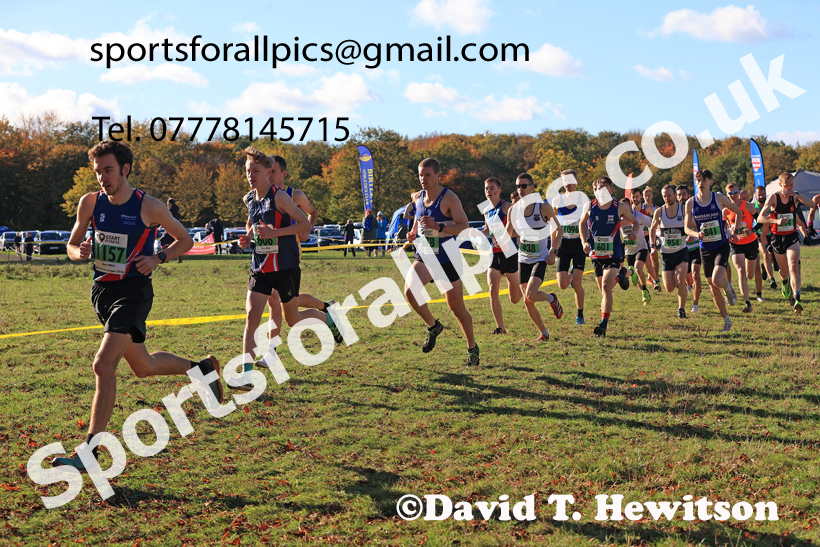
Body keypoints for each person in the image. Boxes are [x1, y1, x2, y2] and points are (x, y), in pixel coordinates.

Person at [52, 141, 223, 472]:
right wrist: (80, 252)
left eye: (109, 170)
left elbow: (185, 240)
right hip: (102, 291)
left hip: (134, 292)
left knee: (103, 365)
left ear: (125, 169)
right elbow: (72, 244)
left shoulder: (150, 206)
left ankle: (89, 453)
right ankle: (201, 368)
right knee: (142, 366)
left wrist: (158, 257)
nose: (102, 177)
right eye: (98, 171)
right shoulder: (90, 202)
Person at [237, 148, 343, 388]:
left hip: (285, 267)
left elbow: (304, 223)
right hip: (260, 267)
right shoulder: (249, 199)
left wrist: (275, 233)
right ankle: (246, 375)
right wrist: (247, 238)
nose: (251, 175)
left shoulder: (281, 197)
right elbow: (253, 226)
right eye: (247, 171)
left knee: (293, 319)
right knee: (252, 317)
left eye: (256, 171)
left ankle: (329, 321)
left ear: (268, 173)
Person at [405, 157, 479, 366]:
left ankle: (472, 348)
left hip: (448, 255)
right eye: (420, 175)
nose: (423, 179)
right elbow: (418, 221)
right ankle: (433, 325)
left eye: (428, 175)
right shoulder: (417, 197)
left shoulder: (449, 198)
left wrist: (439, 226)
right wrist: (412, 233)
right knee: (410, 291)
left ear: (438, 175)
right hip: (426, 253)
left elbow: (464, 227)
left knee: (456, 308)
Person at [257, 153, 335, 345]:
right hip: (267, 256)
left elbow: (313, 213)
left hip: (289, 254)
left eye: (273, 172)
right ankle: (326, 307)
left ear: (283, 173)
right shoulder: (260, 195)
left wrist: (307, 228)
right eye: (267, 172)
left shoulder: (295, 195)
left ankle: (271, 351)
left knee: (275, 299)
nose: (269, 176)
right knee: (283, 300)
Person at [579, 176, 636, 337]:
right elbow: (581, 224)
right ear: (594, 190)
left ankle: (603, 326)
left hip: (613, 254)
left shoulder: (620, 207)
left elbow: (635, 222)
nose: (601, 191)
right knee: (605, 290)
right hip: (596, 255)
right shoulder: (589, 205)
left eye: (605, 188)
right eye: (598, 188)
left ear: (611, 190)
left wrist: (634, 232)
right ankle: (621, 276)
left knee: (605, 286)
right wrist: (584, 242)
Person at [684, 169, 741, 332]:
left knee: (717, 279)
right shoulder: (691, 203)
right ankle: (727, 321)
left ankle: (728, 287)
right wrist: (696, 234)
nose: (700, 183)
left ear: (710, 182)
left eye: (704, 180)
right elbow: (687, 228)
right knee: (713, 287)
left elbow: (738, 211)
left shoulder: (718, 198)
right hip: (705, 248)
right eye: (698, 180)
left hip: (720, 245)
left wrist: (735, 232)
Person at [756, 172, 817, 313]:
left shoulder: (793, 196)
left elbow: (812, 204)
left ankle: (797, 298)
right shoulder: (773, 197)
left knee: (793, 266)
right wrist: (776, 221)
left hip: (791, 236)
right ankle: (785, 283)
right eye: (786, 186)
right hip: (777, 239)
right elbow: (760, 218)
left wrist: (796, 194)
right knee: (784, 272)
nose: (789, 188)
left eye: (791, 185)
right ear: (780, 184)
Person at [480, 178, 522, 335]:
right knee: (492, 290)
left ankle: (521, 285)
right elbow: (487, 229)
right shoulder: (486, 210)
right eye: (486, 188)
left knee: (515, 298)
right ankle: (500, 327)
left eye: (491, 188)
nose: (488, 191)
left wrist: (506, 236)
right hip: (494, 254)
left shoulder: (507, 207)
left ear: (499, 191)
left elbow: (520, 230)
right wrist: (476, 233)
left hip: (510, 252)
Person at [552, 169, 588, 323]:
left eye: (570, 180)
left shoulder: (583, 200)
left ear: (576, 181)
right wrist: (553, 247)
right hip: (564, 245)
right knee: (563, 284)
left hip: (579, 244)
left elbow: (587, 223)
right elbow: (554, 226)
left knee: (578, 282)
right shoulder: (556, 201)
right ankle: (571, 275)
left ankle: (579, 314)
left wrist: (586, 241)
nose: (567, 184)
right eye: (564, 180)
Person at [650, 185, 689, 318]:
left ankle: (681, 309)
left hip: (681, 251)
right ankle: (680, 288)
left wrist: (690, 233)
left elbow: (693, 224)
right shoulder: (659, 212)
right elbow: (652, 229)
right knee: (670, 287)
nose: (667, 198)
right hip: (666, 254)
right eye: (664, 196)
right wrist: (652, 246)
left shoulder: (683, 210)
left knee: (681, 279)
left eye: (669, 196)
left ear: (675, 196)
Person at [724, 183, 759, 313]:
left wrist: (752, 230)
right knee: (741, 271)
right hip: (736, 243)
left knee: (750, 275)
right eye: (730, 193)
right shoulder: (726, 210)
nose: (733, 195)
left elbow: (760, 220)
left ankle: (747, 299)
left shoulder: (748, 206)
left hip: (750, 242)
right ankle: (747, 302)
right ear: (727, 195)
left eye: (735, 192)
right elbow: (723, 226)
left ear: (739, 192)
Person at [621, 195, 653, 306]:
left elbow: (651, 225)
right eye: (622, 206)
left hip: (641, 247)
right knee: (636, 276)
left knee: (638, 269)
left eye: (627, 205)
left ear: (630, 206)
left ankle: (646, 288)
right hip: (629, 251)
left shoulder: (638, 216)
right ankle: (644, 290)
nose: (625, 208)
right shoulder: (618, 220)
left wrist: (651, 234)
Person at [676, 185, 704, 311]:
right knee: (688, 279)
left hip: (696, 248)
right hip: (682, 251)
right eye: (679, 195)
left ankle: (695, 304)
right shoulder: (673, 212)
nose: (681, 197)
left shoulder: (694, 209)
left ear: (688, 195)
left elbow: (698, 228)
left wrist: (693, 235)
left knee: (695, 273)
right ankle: (692, 287)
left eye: (683, 194)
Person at [642, 187, 662, 292]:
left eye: (649, 195)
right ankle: (652, 278)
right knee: (646, 259)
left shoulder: (656, 209)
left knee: (654, 257)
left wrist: (652, 229)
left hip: (652, 235)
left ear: (652, 196)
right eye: (645, 196)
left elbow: (659, 224)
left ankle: (655, 278)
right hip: (642, 237)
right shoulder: (640, 208)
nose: (647, 197)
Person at [163, 198, 183, 263]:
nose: (167, 205)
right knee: (172, 243)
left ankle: (166, 258)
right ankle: (178, 259)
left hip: (171, 228)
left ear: (171, 204)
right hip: (170, 228)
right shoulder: (171, 210)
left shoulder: (173, 211)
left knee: (164, 241)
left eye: (168, 203)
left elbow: (172, 220)